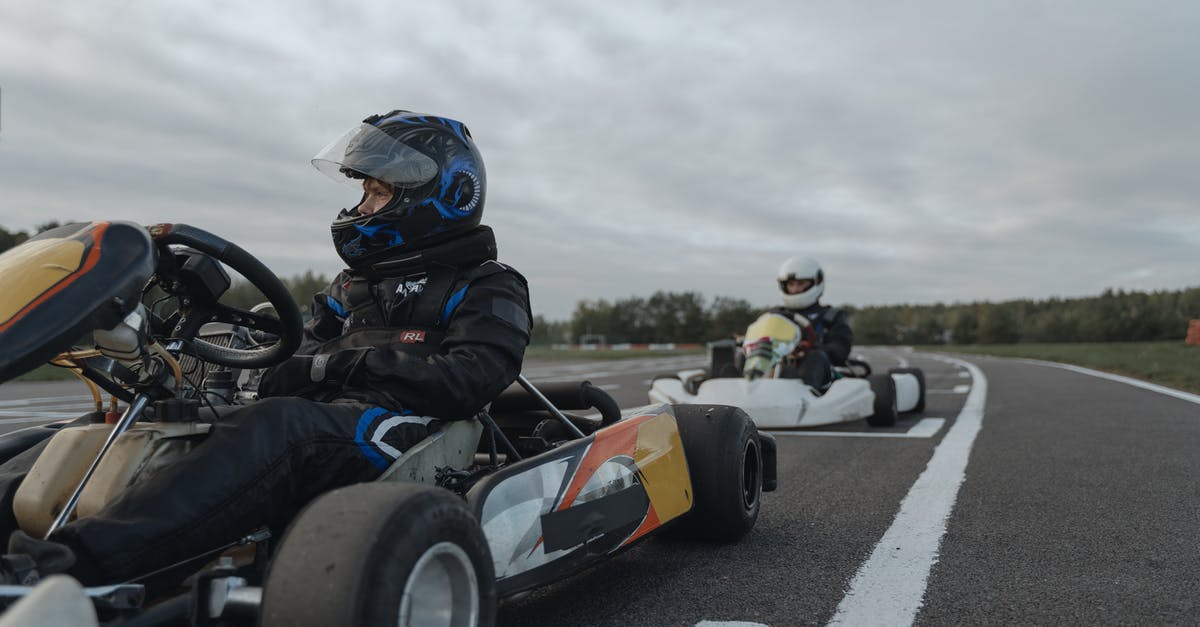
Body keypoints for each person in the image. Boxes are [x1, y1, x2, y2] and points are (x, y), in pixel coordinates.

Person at [0, 110, 532, 592]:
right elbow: (298, 357)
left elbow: (472, 379)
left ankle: (64, 571)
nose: (362, 206)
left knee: (277, 429)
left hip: (409, 432)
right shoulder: (355, 286)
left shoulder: (488, 284)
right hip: (327, 421)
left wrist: (338, 365)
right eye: (364, 192)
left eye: (378, 194)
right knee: (137, 425)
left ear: (440, 196)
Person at [767, 256, 852, 389]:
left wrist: (807, 348)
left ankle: (797, 397)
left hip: (819, 377)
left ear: (816, 283)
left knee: (814, 357)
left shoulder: (831, 316)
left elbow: (840, 351)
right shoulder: (774, 315)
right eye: (791, 284)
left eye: (800, 284)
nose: (795, 289)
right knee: (736, 354)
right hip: (774, 370)